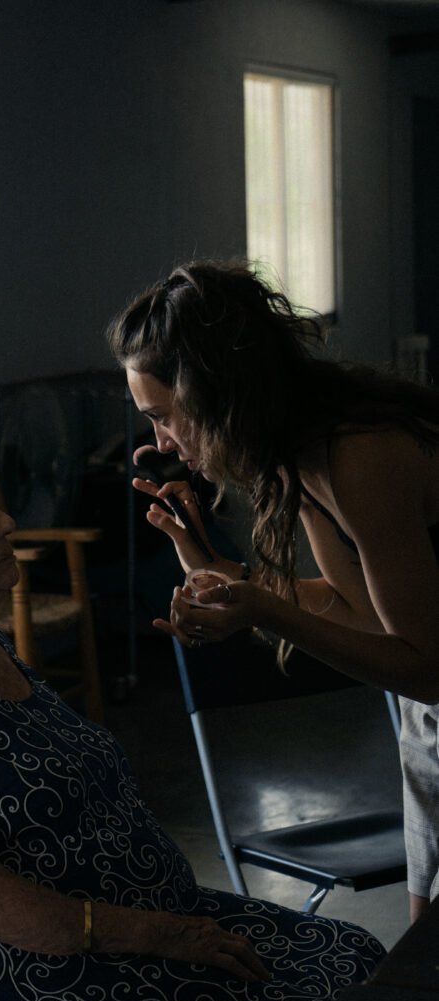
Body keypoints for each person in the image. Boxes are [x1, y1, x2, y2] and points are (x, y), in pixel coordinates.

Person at [0, 430, 384, 1001]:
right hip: (59, 978)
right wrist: (161, 933)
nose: (5, 522)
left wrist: (171, 924)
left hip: (157, 929)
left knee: (356, 958)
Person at [108, 258, 439, 927]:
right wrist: (228, 575)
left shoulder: (359, 455)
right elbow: (356, 608)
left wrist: (267, 612)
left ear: (213, 391)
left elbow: (427, 669)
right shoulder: (303, 452)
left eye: (163, 416)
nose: (159, 443)